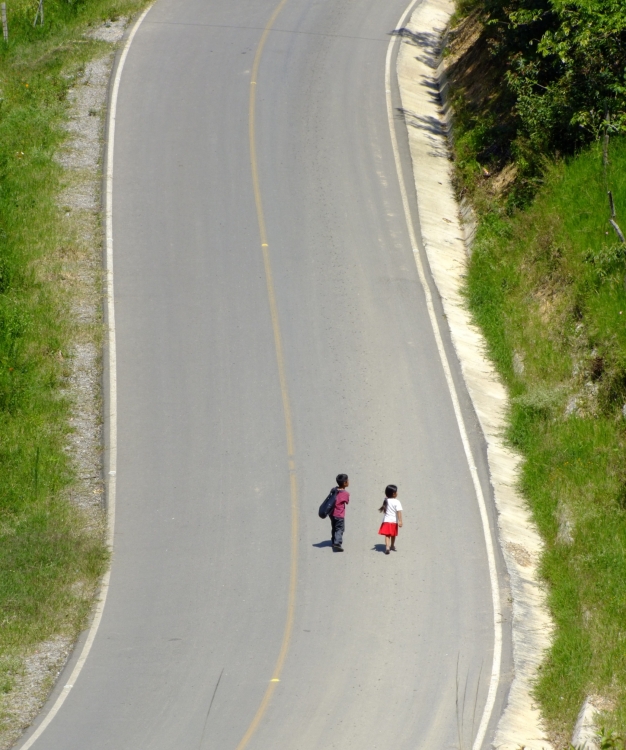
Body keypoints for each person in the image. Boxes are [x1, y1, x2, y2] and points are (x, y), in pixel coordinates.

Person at [378, 484, 402, 554]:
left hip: (386, 521)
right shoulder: (397, 502)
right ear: (394, 494)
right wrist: (400, 521)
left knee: (387, 535)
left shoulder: (386, 500)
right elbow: (399, 512)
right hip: (394, 521)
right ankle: (392, 545)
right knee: (393, 534)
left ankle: (387, 547)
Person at [331, 474, 350, 551]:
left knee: (334, 527)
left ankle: (333, 540)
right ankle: (337, 543)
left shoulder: (333, 489)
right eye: (348, 480)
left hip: (332, 513)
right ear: (345, 483)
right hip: (339, 514)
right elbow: (347, 502)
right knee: (340, 529)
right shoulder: (345, 493)